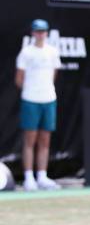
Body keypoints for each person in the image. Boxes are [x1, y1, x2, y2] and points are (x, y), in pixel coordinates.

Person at [14, 19, 62, 191]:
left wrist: (44, 90)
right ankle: (28, 177)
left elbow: (53, 75)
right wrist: (32, 91)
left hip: (49, 99)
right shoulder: (26, 52)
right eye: (37, 31)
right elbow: (19, 79)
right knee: (29, 140)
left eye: (43, 31)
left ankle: (42, 176)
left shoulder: (53, 52)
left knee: (45, 140)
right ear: (32, 33)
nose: (40, 34)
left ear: (47, 33)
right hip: (31, 100)